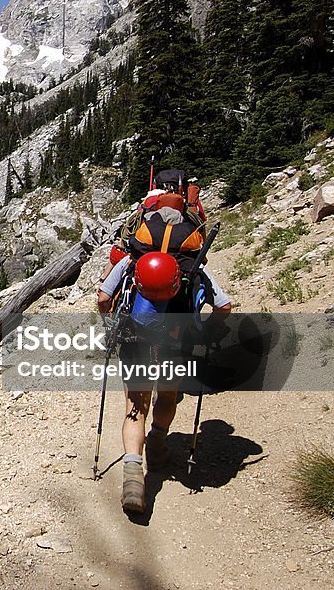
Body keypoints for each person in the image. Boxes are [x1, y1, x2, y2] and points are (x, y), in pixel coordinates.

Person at [96, 209, 231, 514]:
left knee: (135, 405)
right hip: (178, 340)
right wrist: (208, 330)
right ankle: (157, 444)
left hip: (135, 339)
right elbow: (224, 306)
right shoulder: (194, 267)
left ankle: (133, 475)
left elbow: (104, 298)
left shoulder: (131, 262)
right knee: (168, 394)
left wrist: (109, 325)